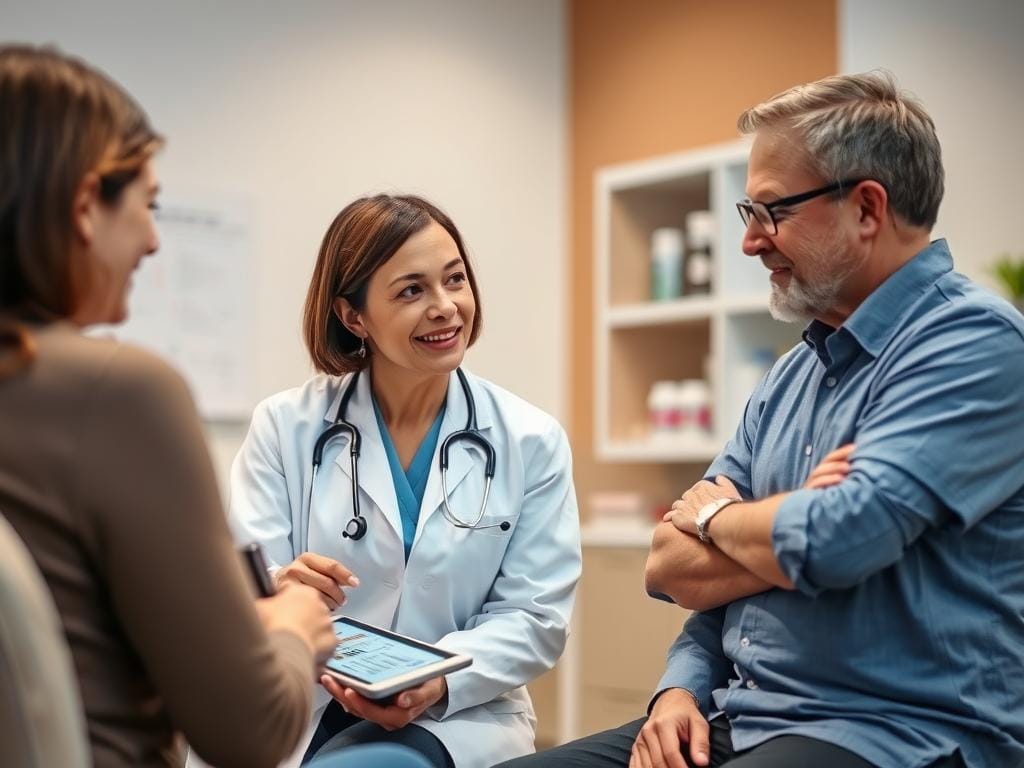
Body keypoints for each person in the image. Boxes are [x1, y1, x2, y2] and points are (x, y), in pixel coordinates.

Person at [496, 72, 1024, 768]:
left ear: (867, 208)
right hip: (736, 717)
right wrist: (678, 692)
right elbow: (670, 566)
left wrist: (719, 521)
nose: (750, 242)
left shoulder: (975, 344)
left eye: (771, 212)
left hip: (895, 734)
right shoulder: (791, 376)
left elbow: (840, 541)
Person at [0, 44, 439, 768]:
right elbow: (250, 730)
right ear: (84, 208)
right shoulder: (121, 395)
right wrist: (294, 619)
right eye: (145, 205)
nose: (149, 240)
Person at [227, 193, 582, 768]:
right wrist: (278, 586)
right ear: (353, 316)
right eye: (411, 290)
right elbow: (243, 584)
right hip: (301, 692)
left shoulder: (529, 439)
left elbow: (535, 617)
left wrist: (432, 680)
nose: (445, 307)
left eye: (455, 280)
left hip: (452, 712)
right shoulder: (286, 426)